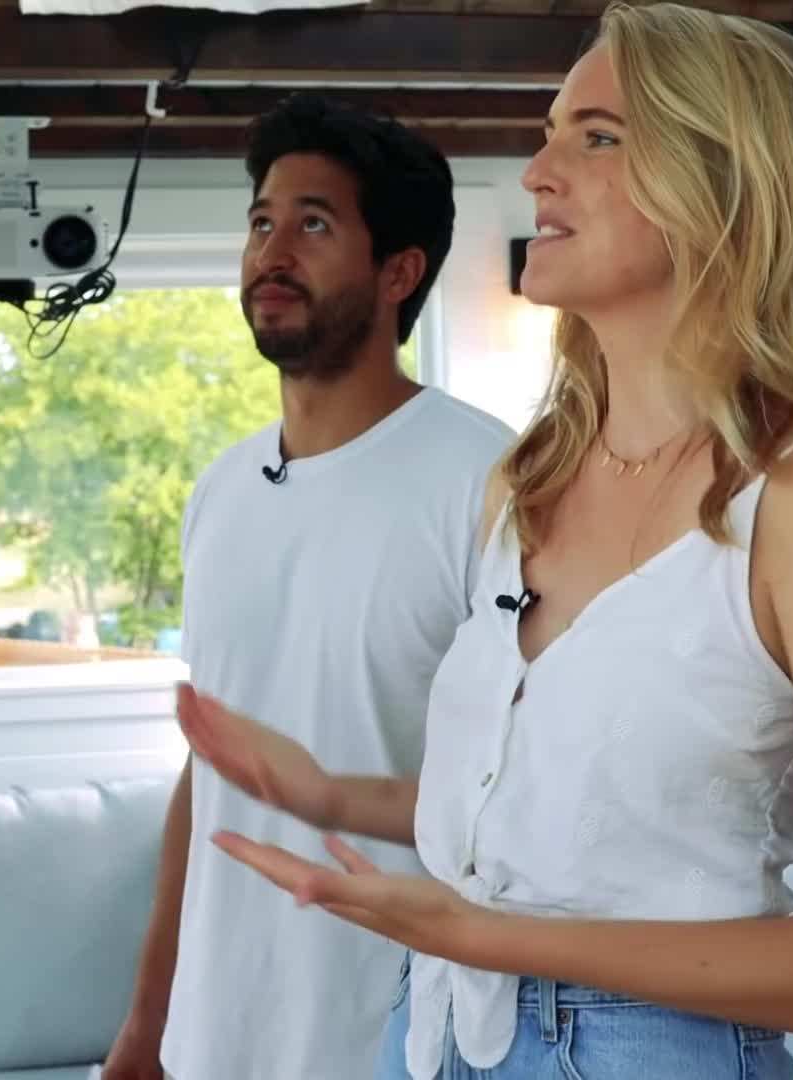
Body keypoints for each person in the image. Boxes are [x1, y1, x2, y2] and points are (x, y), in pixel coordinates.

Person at [176, 4, 793, 1078]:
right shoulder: (534, 476)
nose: (539, 171)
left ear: (730, 182)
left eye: (596, 136)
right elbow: (555, 822)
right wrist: (326, 796)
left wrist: (479, 936)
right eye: (552, 131)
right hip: (445, 1035)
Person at [100, 94, 517, 1080]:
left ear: (399, 272)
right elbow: (208, 775)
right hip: (216, 1034)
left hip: (407, 1036)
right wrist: (146, 1027)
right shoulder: (221, 489)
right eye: (261, 222)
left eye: (314, 224)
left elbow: (529, 794)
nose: (271, 251)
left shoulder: (492, 483)